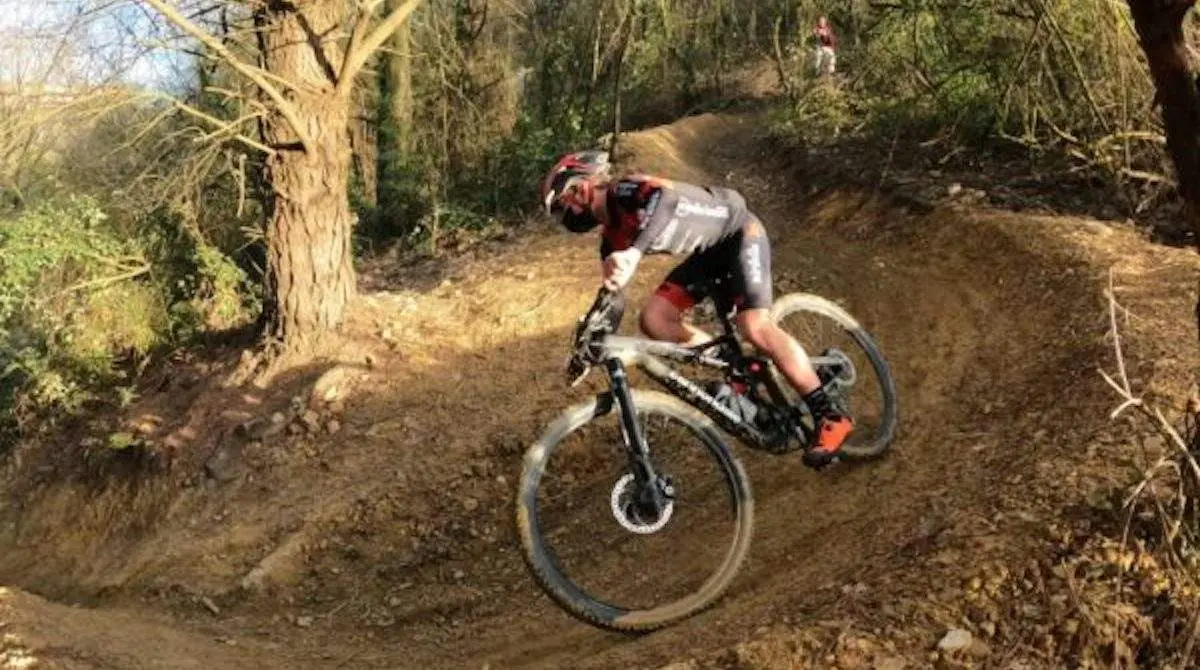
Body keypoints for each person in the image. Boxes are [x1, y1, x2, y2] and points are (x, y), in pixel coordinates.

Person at [541, 150, 853, 468]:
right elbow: (613, 295)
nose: (564, 214)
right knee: (654, 319)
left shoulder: (626, 189)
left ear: (580, 188)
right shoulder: (611, 239)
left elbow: (666, 201)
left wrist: (635, 252)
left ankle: (829, 414)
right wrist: (588, 345)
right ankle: (734, 369)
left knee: (754, 326)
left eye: (562, 205)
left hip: (739, 233)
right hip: (709, 254)